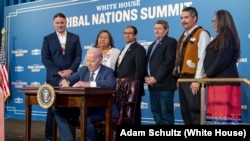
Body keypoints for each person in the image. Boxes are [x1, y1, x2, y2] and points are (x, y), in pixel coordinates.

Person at [54, 48, 119, 141]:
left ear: (100, 60)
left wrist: (89, 84)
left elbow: (110, 83)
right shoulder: (83, 70)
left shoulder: (107, 71)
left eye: (92, 61)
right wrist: (64, 82)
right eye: (87, 60)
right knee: (59, 112)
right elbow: (69, 79)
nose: (89, 64)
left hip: (102, 109)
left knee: (84, 116)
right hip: (82, 107)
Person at [41, 12, 82, 141]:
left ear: (66, 22)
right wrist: (58, 71)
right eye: (57, 23)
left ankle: (69, 136)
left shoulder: (75, 38)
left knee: (70, 107)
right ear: (54, 24)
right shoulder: (47, 39)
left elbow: (78, 56)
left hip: (71, 78)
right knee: (51, 109)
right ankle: (49, 137)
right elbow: (45, 58)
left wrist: (70, 70)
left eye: (62, 22)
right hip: (53, 78)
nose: (60, 25)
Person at [172, 7, 211, 125]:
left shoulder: (202, 33)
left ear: (194, 18)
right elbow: (180, 59)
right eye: (181, 18)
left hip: (194, 80)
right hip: (183, 79)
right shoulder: (183, 35)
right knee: (185, 112)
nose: (183, 20)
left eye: (186, 17)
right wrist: (179, 77)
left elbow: (202, 58)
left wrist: (197, 80)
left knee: (195, 113)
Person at [202, 10, 241, 125]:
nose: (213, 23)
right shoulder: (220, 37)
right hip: (216, 82)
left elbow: (222, 59)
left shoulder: (228, 35)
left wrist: (207, 74)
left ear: (223, 21)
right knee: (214, 120)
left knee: (223, 120)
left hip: (224, 83)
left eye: (215, 20)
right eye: (212, 21)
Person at [145, 20, 177, 125]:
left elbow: (168, 62)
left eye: (159, 29)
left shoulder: (171, 42)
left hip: (164, 85)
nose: (156, 31)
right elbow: (148, 63)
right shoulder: (152, 45)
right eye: (155, 28)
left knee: (166, 115)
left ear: (166, 30)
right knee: (156, 114)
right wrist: (146, 77)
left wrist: (156, 78)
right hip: (152, 86)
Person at [115, 25, 146, 125]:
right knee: (122, 117)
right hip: (122, 89)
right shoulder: (124, 48)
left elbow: (140, 70)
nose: (127, 35)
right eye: (125, 33)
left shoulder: (139, 48)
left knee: (133, 116)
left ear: (135, 35)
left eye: (130, 33)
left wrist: (134, 88)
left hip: (132, 90)